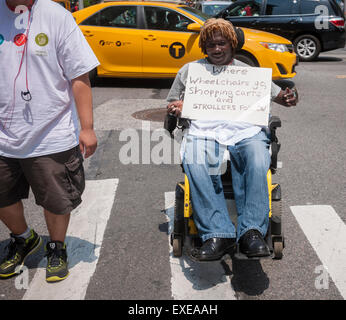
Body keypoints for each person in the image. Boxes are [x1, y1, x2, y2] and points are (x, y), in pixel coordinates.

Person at [166, 18, 297, 261]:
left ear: (232, 44)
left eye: (222, 44)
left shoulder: (248, 74)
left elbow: (282, 97)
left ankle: (252, 232)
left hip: (244, 131)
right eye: (211, 45)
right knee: (194, 160)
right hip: (204, 131)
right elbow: (170, 103)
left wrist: (289, 98)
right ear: (204, 47)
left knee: (258, 159)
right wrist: (178, 106)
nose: (216, 49)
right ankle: (218, 233)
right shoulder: (190, 71)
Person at [0, 0, 99, 282]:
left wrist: (87, 127)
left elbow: (79, 75)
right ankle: (23, 238)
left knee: (56, 200)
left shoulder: (57, 16)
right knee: (2, 195)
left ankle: (57, 247)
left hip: (50, 134)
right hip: (4, 135)